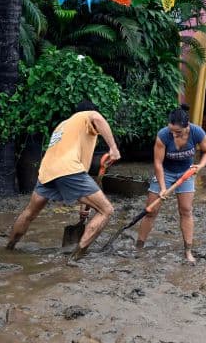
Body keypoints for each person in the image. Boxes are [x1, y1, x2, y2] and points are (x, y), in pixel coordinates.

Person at [6, 100, 121, 260]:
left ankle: (9, 248)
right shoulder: (87, 116)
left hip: (47, 171)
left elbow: (82, 172)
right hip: (68, 169)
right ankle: (75, 258)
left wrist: (84, 205)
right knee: (106, 210)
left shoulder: (64, 126)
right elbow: (97, 117)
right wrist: (113, 148)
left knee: (29, 213)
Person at [135, 106, 206, 264]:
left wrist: (200, 166)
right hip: (165, 172)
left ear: (187, 126)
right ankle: (138, 247)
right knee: (151, 211)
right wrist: (163, 187)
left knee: (186, 211)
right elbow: (158, 163)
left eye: (177, 132)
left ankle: (188, 251)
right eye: (172, 130)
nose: (173, 134)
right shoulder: (163, 136)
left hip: (186, 173)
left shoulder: (197, 132)